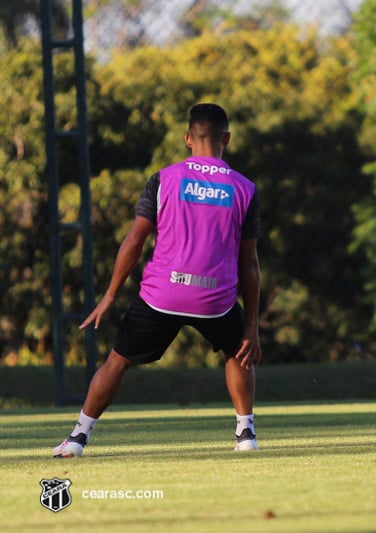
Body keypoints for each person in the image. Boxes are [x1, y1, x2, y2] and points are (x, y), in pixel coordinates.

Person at [53, 103, 262, 457]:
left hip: (161, 296)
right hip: (215, 300)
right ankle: (246, 435)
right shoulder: (245, 189)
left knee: (118, 360)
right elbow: (250, 263)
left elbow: (134, 242)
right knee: (237, 350)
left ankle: (77, 438)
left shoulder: (164, 178)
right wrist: (252, 327)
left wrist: (108, 297)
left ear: (187, 139)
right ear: (226, 138)